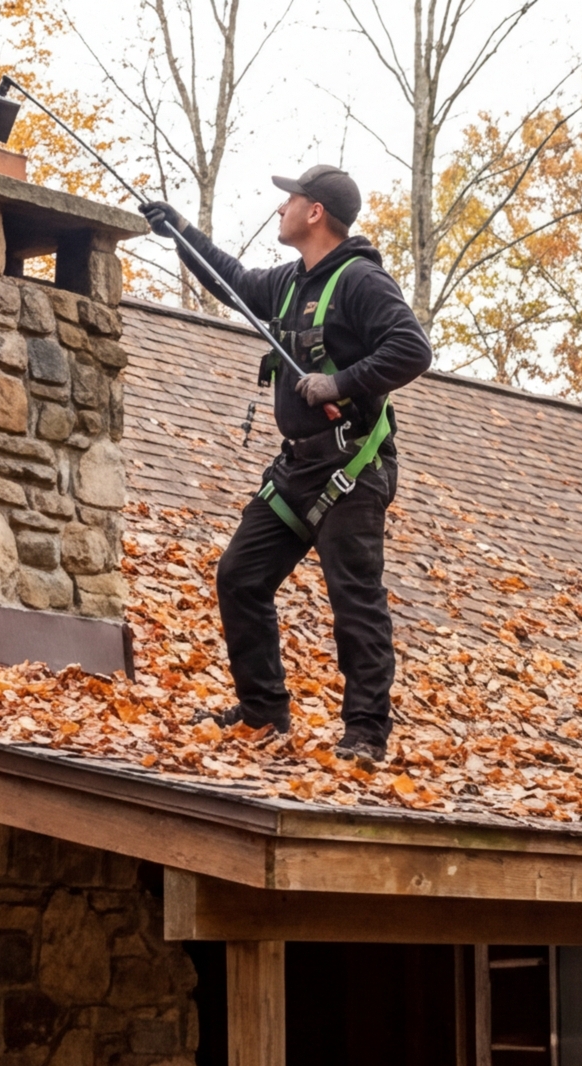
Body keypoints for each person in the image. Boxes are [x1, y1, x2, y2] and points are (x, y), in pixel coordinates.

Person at [140, 166, 432, 762]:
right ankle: (263, 713)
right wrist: (180, 233)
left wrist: (338, 383)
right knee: (240, 577)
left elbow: (412, 349)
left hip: (352, 469)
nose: (281, 210)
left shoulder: (360, 282)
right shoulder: (293, 281)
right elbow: (236, 284)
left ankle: (367, 734)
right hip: (296, 469)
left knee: (355, 601)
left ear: (316, 211)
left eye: (289, 200)